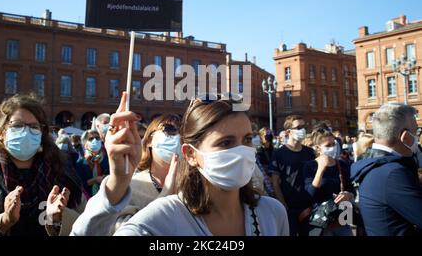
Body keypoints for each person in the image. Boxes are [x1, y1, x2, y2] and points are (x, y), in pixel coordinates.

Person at [71, 92, 289, 236]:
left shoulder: (273, 213)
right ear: (190, 155)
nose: (241, 151)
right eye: (225, 142)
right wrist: (118, 181)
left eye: (247, 139)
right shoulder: (162, 218)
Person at [0, 94, 86, 236]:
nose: (25, 132)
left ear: (41, 134)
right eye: (17, 125)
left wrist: (58, 220)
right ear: (1, 133)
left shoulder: (63, 175)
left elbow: (87, 225)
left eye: (33, 126)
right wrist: (3, 221)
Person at [351, 103, 422, 235]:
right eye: (416, 131)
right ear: (405, 136)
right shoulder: (393, 173)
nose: (417, 138)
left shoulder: (374, 164)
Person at [302, 127, 354, 236]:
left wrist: (348, 194)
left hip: (342, 219)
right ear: (318, 148)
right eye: (328, 146)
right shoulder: (310, 166)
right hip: (321, 222)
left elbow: (351, 189)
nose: (333, 148)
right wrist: (320, 169)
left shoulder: (342, 164)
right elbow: (310, 195)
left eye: (334, 144)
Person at [270, 115, 315, 236]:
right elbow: (275, 182)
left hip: (309, 207)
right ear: (288, 131)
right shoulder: (279, 153)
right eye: (299, 127)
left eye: (304, 126)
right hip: (289, 208)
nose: (303, 130)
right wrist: (283, 205)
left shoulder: (310, 152)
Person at [75, 130, 109, 199]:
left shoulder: (108, 159)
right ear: (85, 144)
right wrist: (95, 180)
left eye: (97, 138)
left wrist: (107, 177)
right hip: (89, 198)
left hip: (108, 195)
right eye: (90, 139)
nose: (95, 140)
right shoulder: (80, 163)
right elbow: (79, 185)